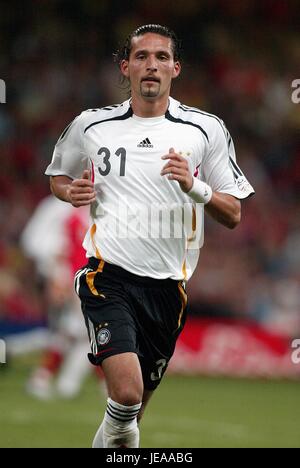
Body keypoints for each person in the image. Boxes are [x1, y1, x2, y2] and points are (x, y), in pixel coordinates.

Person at [45, 24, 254, 447]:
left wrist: (193, 185)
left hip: (167, 291)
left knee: (128, 422)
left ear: (176, 68)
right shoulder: (92, 125)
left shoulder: (205, 129)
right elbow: (58, 176)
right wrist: (71, 192)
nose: (151, 65)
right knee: (125, 395)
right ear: (126, 68)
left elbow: (232, 213)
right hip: (108, 277)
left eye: (161, 57)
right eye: (141, 57)